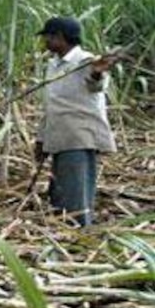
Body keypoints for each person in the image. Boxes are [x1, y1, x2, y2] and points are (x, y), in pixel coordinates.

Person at [34, 16, 120, 227]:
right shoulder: (54, 65)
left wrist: (98, 73)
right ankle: (63, 232)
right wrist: (41, 139)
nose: (45, 42)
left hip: (79, 137)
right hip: (59, 137)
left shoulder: (86, 61)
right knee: (60, 193)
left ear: (60, 37)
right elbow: (51, 105)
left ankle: (80, 235)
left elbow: (96, 84)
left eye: (48, 37)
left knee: (76, 196)